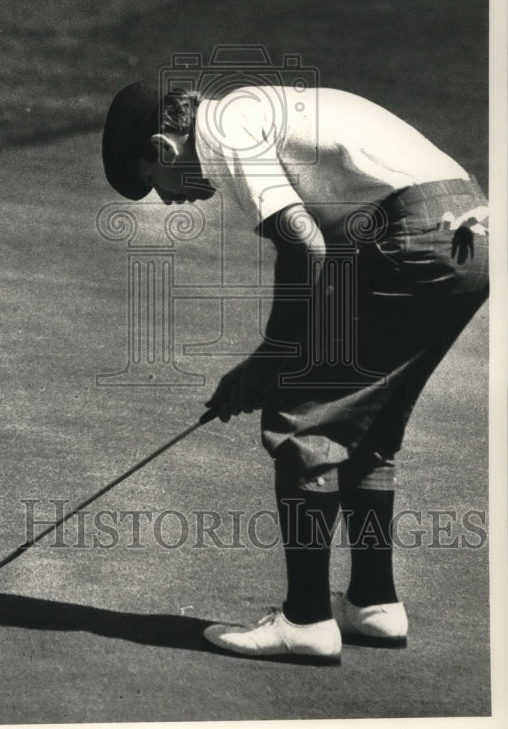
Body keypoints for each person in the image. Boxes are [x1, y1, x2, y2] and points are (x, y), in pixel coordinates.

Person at [102, 80, 489, 664]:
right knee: (367, 426)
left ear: (162, 146)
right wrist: (272, 360)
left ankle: (306, 619)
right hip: (471, 239)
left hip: (414, 237)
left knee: (303, 426)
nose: (169, 199)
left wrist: (271, 360)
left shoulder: (223, 130)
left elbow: (303, 244)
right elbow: (330, 252)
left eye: (156, 185)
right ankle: (373, 603)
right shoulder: (254, 110)